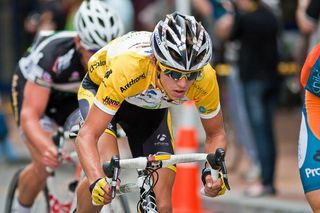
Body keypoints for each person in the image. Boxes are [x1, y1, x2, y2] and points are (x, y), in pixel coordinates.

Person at [75, 12, 227, 212]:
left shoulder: (205, 78)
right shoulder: (129, 67)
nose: (182, 84)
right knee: (107, 179)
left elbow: (215, 134)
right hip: (103, 90)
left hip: (150, 108)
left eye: (191, 75)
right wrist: (95, 180)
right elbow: (86, 136)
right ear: (156, 63)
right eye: (173, 73)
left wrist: (213, 173)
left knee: (162, 205)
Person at [10, 0, 124, 212]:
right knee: (44, 164)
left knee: (91, 146)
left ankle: (78, 193)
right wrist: (46, 147)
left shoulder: (118, 61)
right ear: (78, 41)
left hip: (73, 99)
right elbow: (29, 116)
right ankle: (20, 207)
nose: (99, 58)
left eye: (106, 51)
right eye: (92, 51)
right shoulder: (53, 56)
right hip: (37, 96)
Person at [214, 0, 281, 196]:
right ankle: (269, 179)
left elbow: (229, 35)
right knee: (268, 132)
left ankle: (266, 182)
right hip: (271, 79)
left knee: (260, 132)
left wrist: (233, 12)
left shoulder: (245, 18)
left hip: (253, 81)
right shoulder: (270, 16)